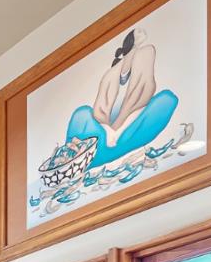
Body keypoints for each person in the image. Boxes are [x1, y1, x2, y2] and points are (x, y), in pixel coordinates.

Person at [64, 28, 179, 168]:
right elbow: (98, 114)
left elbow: (141, 107)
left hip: (128, 130)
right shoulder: (110, 76)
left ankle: (102, 154)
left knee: (166, 100)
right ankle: (77, 156)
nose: (142, 34)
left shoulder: (143, 65)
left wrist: (118, 133)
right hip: (101, 133)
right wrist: (108, 131)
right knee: (82, 113)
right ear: (131, 41)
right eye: (138, 33)